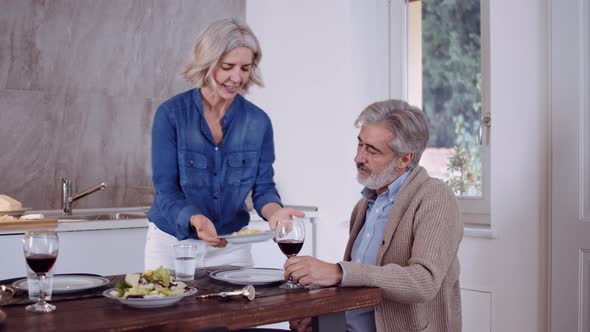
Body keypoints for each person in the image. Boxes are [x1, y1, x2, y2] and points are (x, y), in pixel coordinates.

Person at [285, 100, 463, 332]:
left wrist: (339, 271)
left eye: (372, 150)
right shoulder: (364, 206)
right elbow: (359, 287)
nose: (359, 157)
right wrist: (320, 317)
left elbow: (423, 282)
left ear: (405, 159)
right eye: (359, 145)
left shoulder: (435, 197)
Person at [145, 18, 303, 270]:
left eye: (245, 68)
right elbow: (165, 188)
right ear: (207, 64)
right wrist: (195, 219)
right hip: (173, 243)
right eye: (227, 66)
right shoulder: (172, 115)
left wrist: (275, 213)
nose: (236, 77)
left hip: (232, 247)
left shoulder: (258, 122)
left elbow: (263, 188)